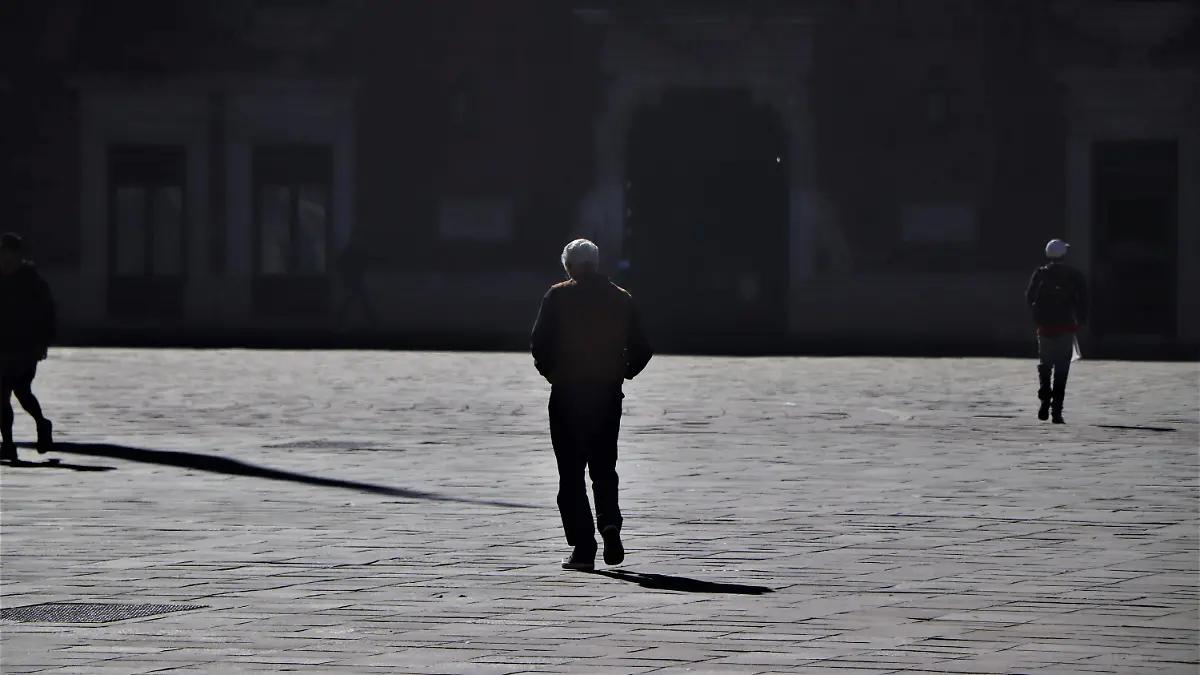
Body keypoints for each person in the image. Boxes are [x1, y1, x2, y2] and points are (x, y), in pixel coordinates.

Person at [531, 238, 653, 571]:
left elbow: (539, 344)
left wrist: (553, 373)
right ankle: (610, 523)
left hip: (568, 395)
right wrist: (622, 374)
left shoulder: (557, 296)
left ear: (569, 266)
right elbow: (643, 348)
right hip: (606, 395)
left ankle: (584, 548)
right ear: (596, 264)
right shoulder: (621, 299)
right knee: (603, 468)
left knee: (570, 474)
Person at [0, 233, 57, 462]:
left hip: (25, 347)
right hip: (1, 345)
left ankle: (42, 423)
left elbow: (47, 314)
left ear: (18, 256)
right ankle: (8, 444)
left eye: (8, 254)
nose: (4, 259)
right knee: (2, 395)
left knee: (22, 392)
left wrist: (42, 342)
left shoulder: (32, 281)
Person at [1025, 238, 1088, 424]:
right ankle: (1056, 411)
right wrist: (1081, 321)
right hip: (1066, 326)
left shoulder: (1039, 274)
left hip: (1044, 327)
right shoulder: (1074, 275)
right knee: (1062, 368)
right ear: (1064, 255)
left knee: (1045, 363)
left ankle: (1044, 397)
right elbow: (1083, 301)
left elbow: (1029, 298)